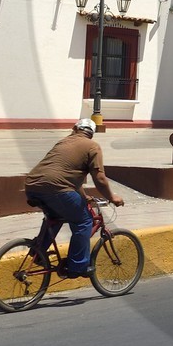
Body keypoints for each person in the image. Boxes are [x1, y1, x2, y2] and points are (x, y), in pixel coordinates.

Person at [23, 119, 124, 278]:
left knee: (55, 217)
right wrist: (113, 197)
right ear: (91, 134)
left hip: (32, 186)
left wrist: (85, 198)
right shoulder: (92, 146)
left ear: (74, 128)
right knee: (84, 221)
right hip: (58, 190)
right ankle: (77, 266)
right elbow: (100, 179)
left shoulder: (63, 142)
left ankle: (39, 252)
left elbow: (69, 178)